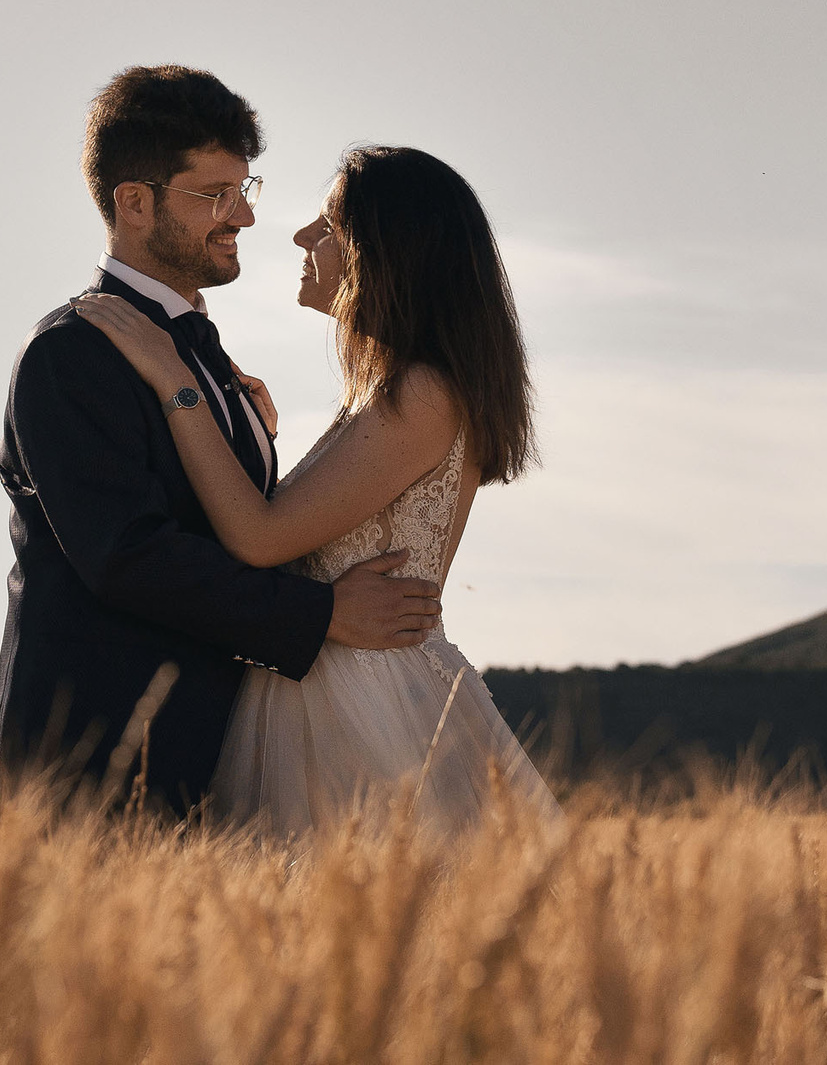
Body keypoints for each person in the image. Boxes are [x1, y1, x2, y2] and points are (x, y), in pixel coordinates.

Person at [0, 67, 447, 821]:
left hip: (216, 754)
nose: (244, 217)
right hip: (91, 764)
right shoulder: (72, 353)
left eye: (245, 189)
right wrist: (322, 613)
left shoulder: (207, 363)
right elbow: (129, 557)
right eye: (214, 195)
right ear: (135, 202)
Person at [73, 143, 560, 832]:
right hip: (333, 687)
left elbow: (261, 537)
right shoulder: (389, 394)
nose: (303, 236)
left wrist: (177, 383)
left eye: (330, 224)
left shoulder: (422, 393)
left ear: (390, 251)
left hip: (360, 702)